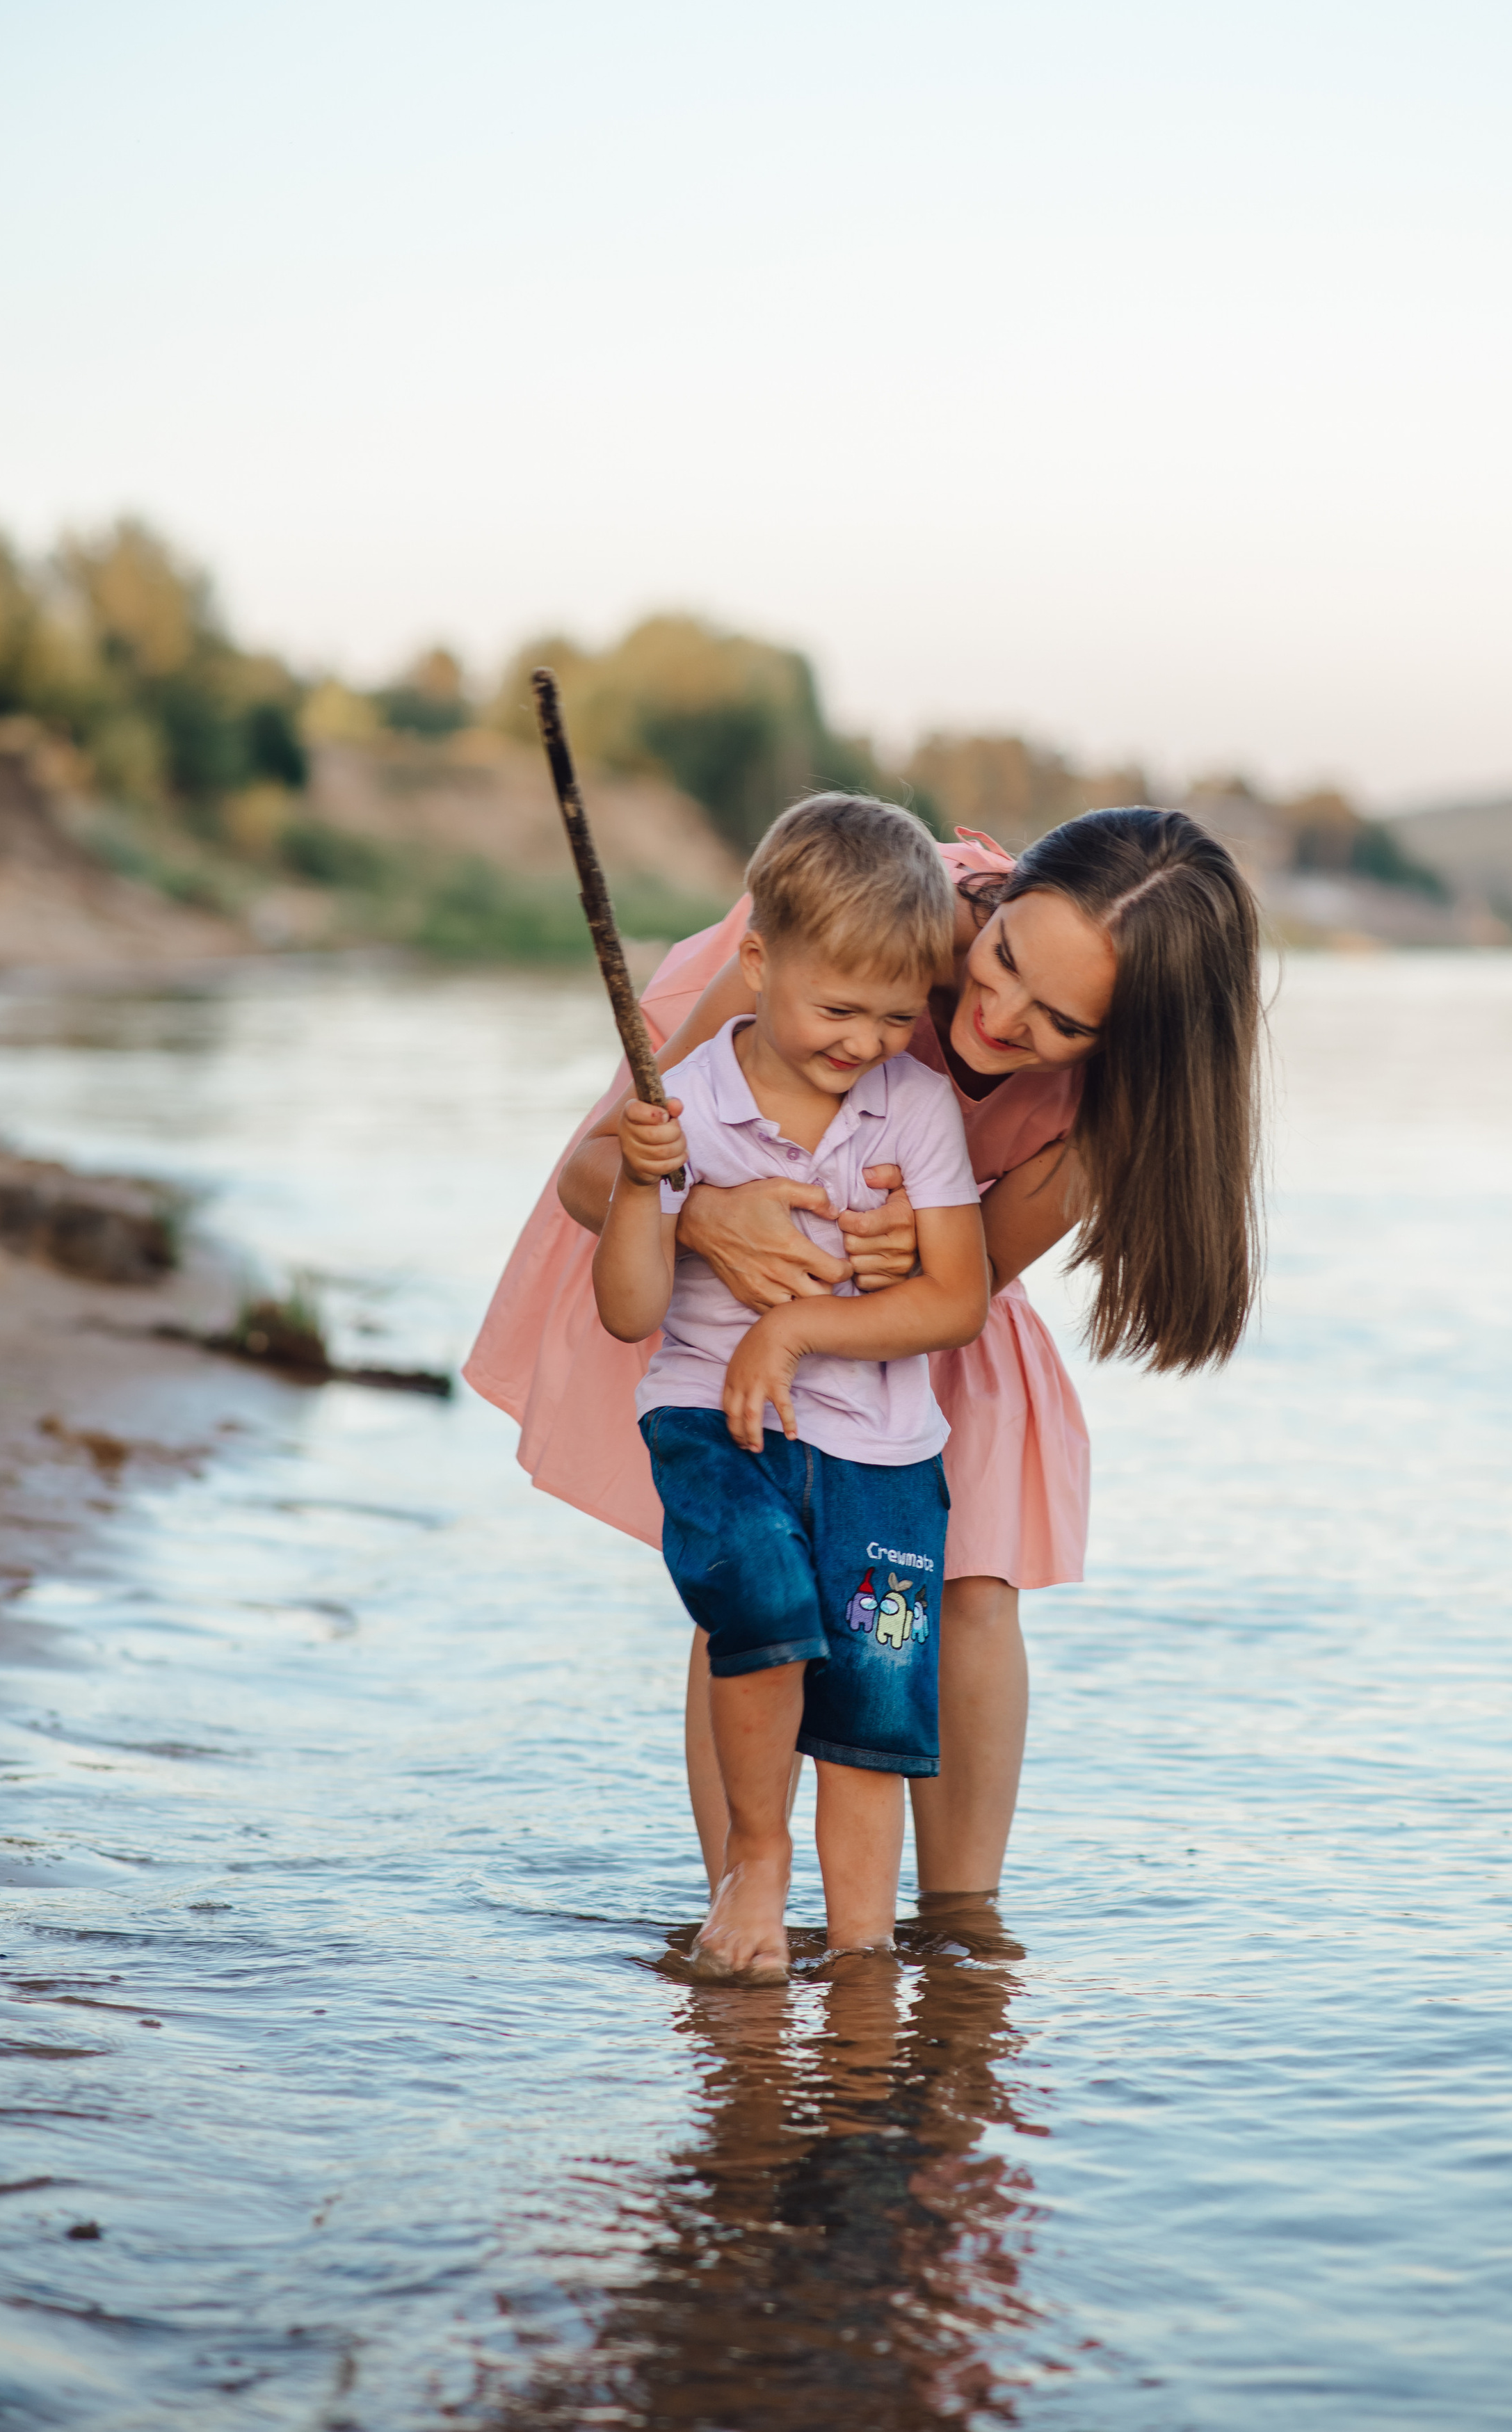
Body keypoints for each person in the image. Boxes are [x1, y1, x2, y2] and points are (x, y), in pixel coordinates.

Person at [466, 804, 1262, 1907]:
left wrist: (920, 1248)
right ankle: (743, 1898)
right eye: (1003, 959)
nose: (1000, 1015)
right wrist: (710, 1218)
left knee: (971, 1583)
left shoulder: (1124, 1095)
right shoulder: (863, 905)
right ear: (999, 899)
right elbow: (598, 1171)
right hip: (741, 1262)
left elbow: (977, 1278)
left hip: (926, 1306)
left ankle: (961, 1940)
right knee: (761, 1577)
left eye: (1061, 1022)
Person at [593, 793, 990, 1979]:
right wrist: (642, 1184)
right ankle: (754, 1861)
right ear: (759, 964)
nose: (866, 1040)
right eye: (838, 1009)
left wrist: (800, 1328)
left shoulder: (915, 1105)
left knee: (873, 1703)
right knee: (757, 1603)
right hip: (719, 1416)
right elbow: (629, 1309)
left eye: (897, 1014)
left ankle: (861, 1963)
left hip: (885, 1451)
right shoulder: (689, 1101)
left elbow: (956, 1299)